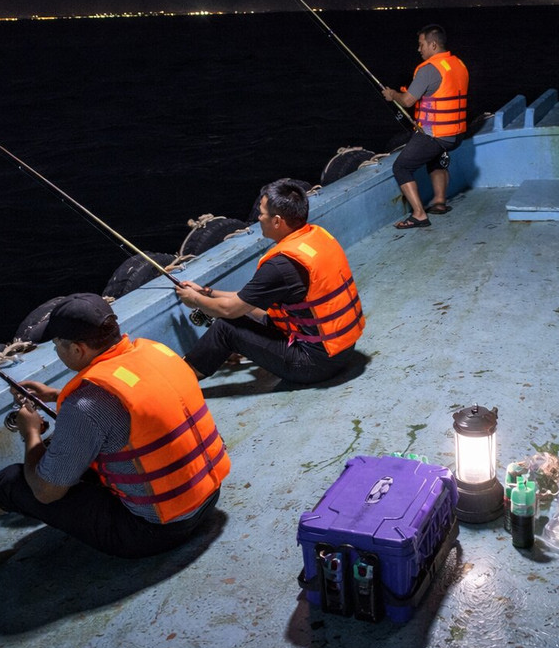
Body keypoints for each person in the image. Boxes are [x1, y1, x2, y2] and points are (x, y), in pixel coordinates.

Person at [0, 293, 229, 558]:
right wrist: (56, 395)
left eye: (57, 345)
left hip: (153, 532)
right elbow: (138, 399)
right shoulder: (156, 352)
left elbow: (46, 492)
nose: (57, 351)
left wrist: (30, 433)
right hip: (207, 498)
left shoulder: (87, 404)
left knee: (13, 481)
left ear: (77, 350)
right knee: (68, 451)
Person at [175, 178, 364, 384]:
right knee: (256, 313)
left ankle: (181, 379)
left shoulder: (280, 266)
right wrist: (208, 293)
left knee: (225, 328)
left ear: (277, 221)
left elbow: (230, 310)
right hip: (342, 349)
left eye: (262, 213)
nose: (258, 218)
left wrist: (194, 300)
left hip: (314, 364)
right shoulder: (315, 238)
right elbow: (246, 300)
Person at [382, 24, 469, 229]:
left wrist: (392, 94)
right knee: (434, 158)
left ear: (433, 45)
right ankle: (439, 202)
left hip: (437, 134)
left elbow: (407, 101)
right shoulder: (457, 64)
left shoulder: (429, 69)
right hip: (456, 134)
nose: (419, 49)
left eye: (421, 45)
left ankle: (419, 215)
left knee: (401, 167)